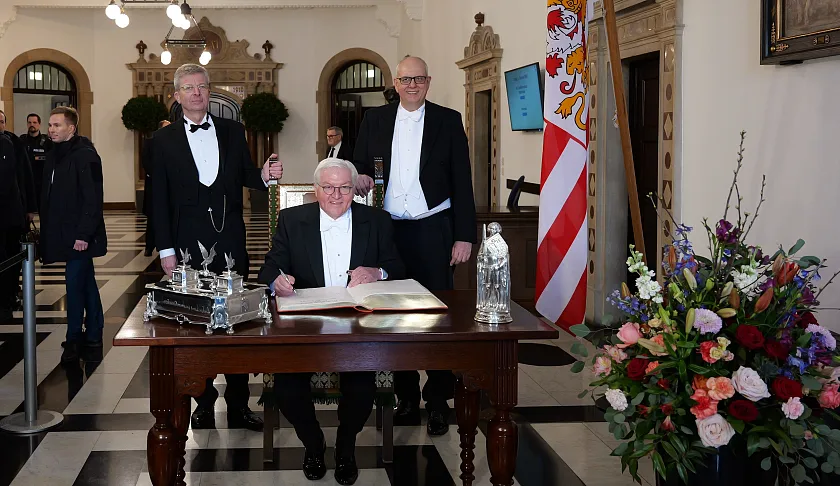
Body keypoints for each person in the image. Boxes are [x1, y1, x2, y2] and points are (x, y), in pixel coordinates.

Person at [258, 158, 404, 485]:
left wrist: (377, 272)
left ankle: (345, 444)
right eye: (329, 187)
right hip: (306, 325)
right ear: (316, 190)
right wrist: (276, 282)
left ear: (355, 190)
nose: (336, 195)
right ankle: (313, 443)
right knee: (287, 387)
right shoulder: (292, 220)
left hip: (358, 325)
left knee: (362, 387)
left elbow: (398, 265)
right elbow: (268, 269)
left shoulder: (376, 220)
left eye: (344, 187)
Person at [152, 63, 282, 432]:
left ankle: (239, 404)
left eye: (202, 87)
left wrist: (264, 176)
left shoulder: (232, 130)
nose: (196, 93)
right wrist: (165, 249)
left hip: (228, 237)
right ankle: (203, 401)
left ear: (210, 91)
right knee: (196, 323)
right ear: (177, 96)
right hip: (185, 240)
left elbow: (245, 174)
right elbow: (158, 200)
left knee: (237, 320)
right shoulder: (162, 141)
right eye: (188, 88)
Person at [353, 56, 476, 436]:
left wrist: (464, 234)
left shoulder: (448, 119)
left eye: (418, 79)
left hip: (433, 229)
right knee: (393, 317)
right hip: (388, 231)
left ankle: (437, 401)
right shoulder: (374, 119)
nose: (412, 85)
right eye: (405, 79)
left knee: (436, 317)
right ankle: (406, 396)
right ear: (395, 81)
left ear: (428, 81)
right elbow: (359, 166)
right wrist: (358, 177)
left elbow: (463, 180)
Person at [40, 107, 107, 363]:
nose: (51, 130)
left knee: (75, 285)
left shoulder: (86, 156)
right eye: (50, 125)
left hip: (79, 235)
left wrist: (84, 234)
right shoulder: (54, 154)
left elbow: (93, 198)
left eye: (57, 125)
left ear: (71, 128)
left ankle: (74, 339)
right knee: (85, 282)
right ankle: (94, 331)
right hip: (62, 231)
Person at [0, 128, 36, 322]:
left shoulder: (9, 143)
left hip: (9, 215)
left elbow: (22, 177)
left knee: (9, 259)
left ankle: (7, 300)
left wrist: (29, 207)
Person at [142, 120, 170, 256]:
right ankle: (149, 246)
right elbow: (146, 162)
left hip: (170, 188)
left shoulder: (174, 144)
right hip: (154, 187)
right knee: (153, 218)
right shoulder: (149, 143)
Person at [20, 113, 53, 208]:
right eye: (29, 122)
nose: (32, 125)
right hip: (26, 184)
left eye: (34, 122)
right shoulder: (21, 141)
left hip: (42, 184)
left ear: (39, 124)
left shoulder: (47, 142)